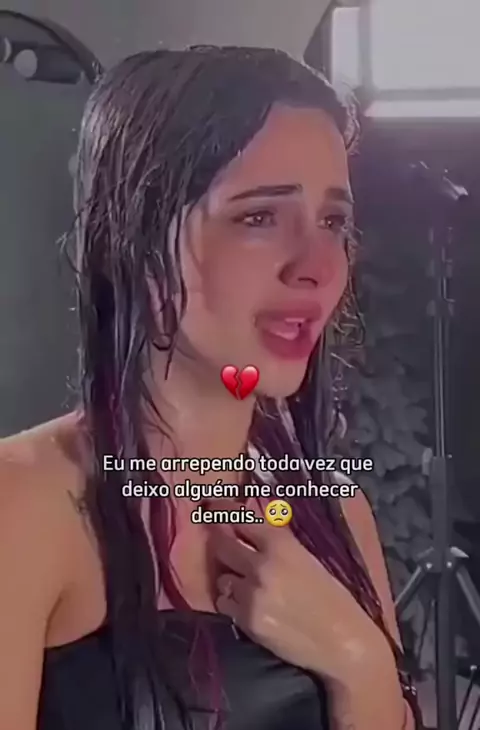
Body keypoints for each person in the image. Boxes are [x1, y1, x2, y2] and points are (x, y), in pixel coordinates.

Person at [0, 46, 423, 730]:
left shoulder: (336, 511)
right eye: (259, 217)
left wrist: (360, 663)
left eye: (333, 222)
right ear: (139, 242)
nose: (317, 266)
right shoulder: (22, 508)